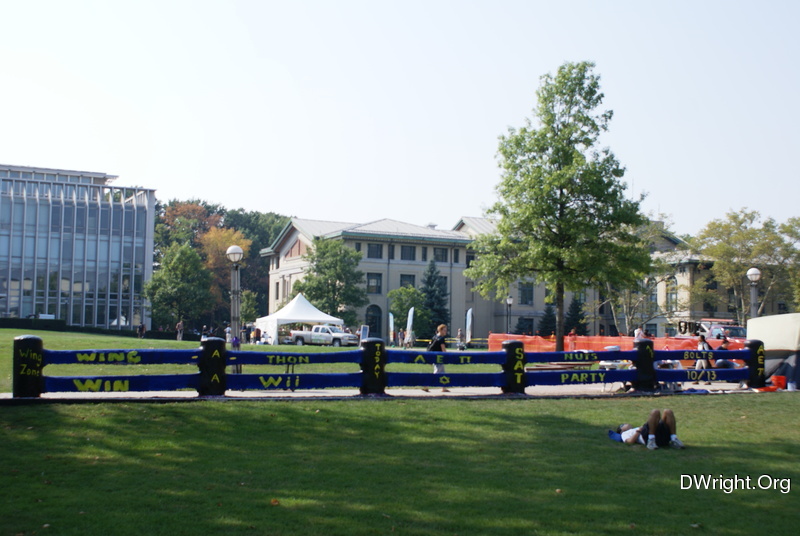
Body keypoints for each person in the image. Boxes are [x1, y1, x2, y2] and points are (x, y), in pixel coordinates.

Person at [615, 409, 685, 450]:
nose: (625, 424)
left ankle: (674, 439)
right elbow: (629, 442)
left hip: (662, 438)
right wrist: (639, 431)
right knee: (655, 412)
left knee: (668, 412)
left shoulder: (634, 429)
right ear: (621, 430)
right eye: (622, 425)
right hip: (646, 436)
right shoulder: (625, 433)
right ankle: (651, 440)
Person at [425, 324, 449, 392]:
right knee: (437, 372)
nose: (445, 332)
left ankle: (443, 388)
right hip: (438, 357)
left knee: (442, 372)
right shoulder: (441, 338)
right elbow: (443, 350)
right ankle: (426, 385)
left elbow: (429, 347)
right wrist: (447, 357)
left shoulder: (434, 337)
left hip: (432, 356)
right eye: (444, 330)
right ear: (440, 330)